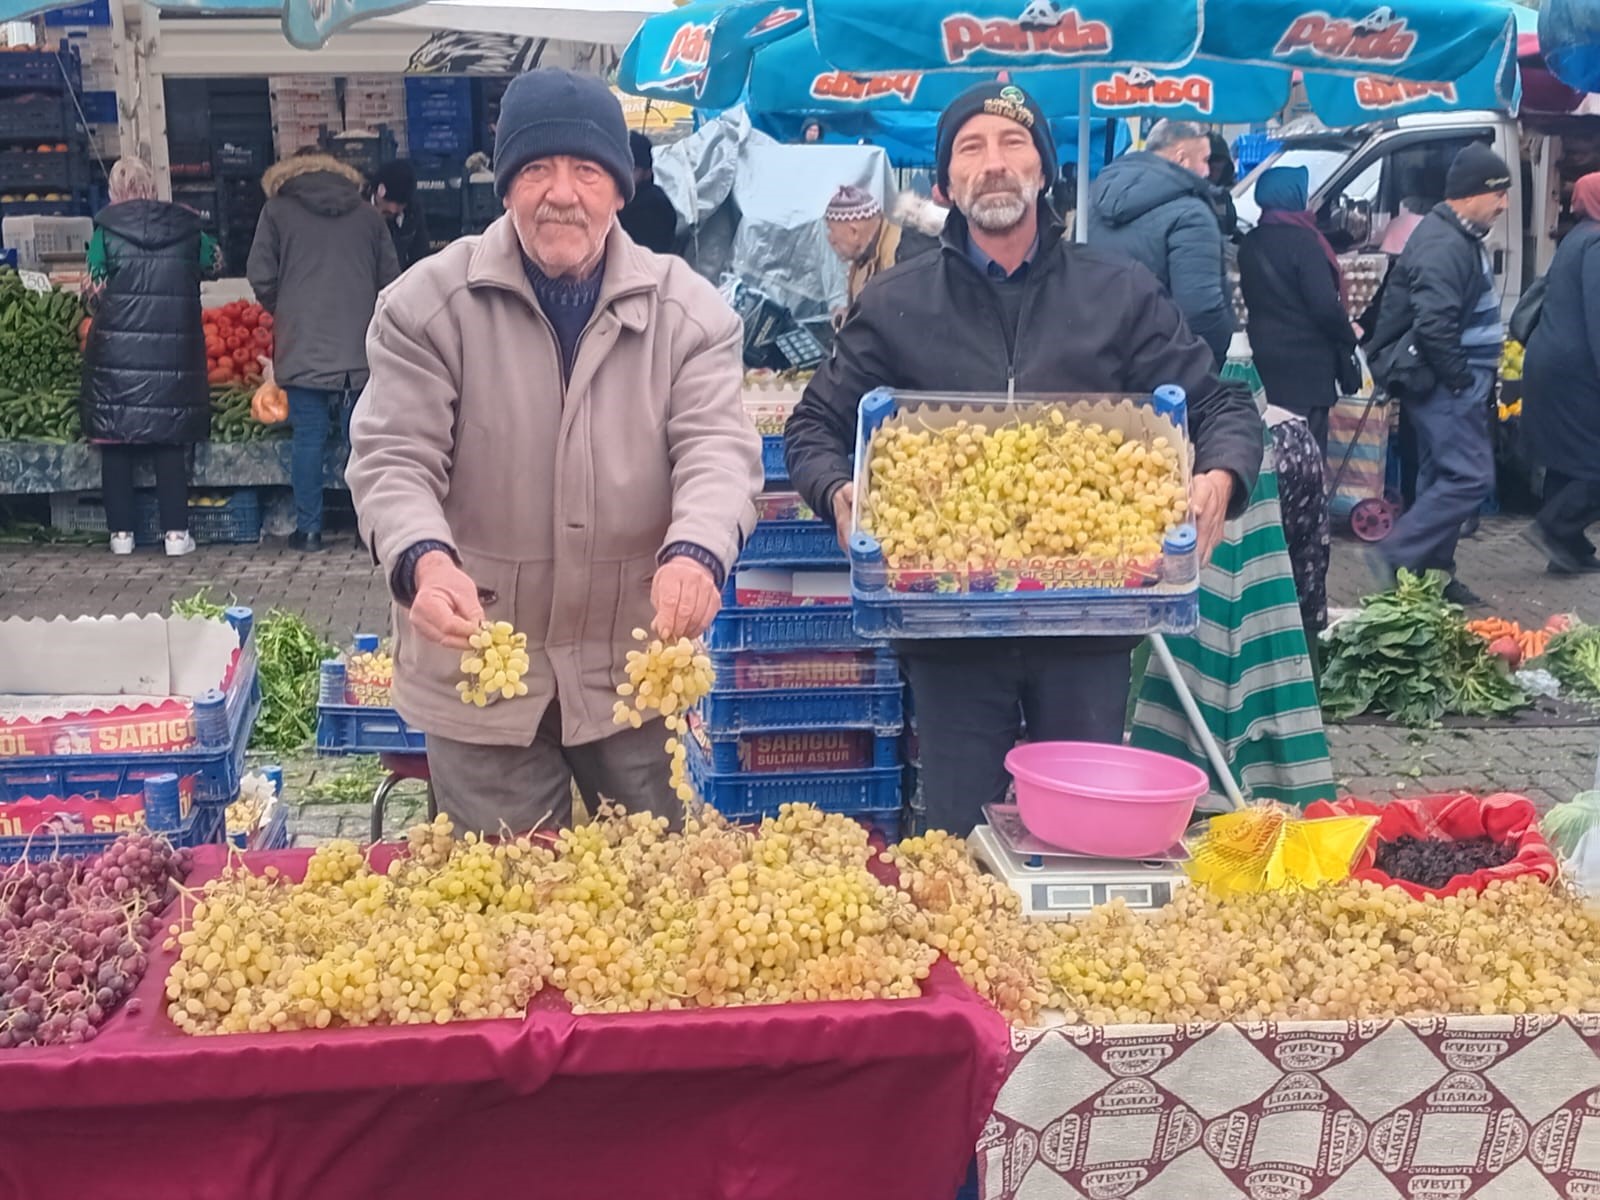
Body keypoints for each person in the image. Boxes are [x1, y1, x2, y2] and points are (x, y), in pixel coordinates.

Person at [784, 82, 1264, 837]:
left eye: (1014, 144)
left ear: (1044, 169)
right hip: (947, 628)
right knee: (956, 835)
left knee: (1085, 835)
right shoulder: (897, 301)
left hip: (1089, 624)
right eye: (971, 149)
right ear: (944, 184)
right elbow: (812, 424)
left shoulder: (1117, 292)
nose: (995, 164)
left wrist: (1220, 476)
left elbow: (1221, 404)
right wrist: (840, 493)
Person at [345, 68, 762, 837]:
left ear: (620, 188)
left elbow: (717, 449)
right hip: (480, 673)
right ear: (505, 187)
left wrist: (698, 551)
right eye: (536, 168)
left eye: (586, 169)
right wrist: (424, 562)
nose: (561, 191)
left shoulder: (689, 314)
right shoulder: (425, 307)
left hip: (632, 668)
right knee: (508, 914)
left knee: (653, 903)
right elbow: (393, 458)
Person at [1366, 143, 1512, 606]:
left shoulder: (1458, 236)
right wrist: (1460, 380)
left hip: (1452, 379)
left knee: (1440, 475)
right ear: (1471, 193)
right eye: (1499, 194)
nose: (1504, 203)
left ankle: (1434, 574)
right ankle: (1398, 552)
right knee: (1469, 476)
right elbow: (1435, 324)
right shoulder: (1444, 243)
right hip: (1447, 381)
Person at [248, 150, 398, 552]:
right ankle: (365, 531)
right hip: (359, 348)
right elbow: (391, 281)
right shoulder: (368, 217)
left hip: (303, 344)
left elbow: (260, 275)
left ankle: (310, 531)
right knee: (362, 440)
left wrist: (289, 307)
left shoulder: (277, 212)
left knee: (309, 437)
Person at [81, 157, 218, 557]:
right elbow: (214, 263)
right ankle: (176, 535)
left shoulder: (105, 232)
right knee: (169, 439)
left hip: (116, 355)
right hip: (174, 351)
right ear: (152, 188)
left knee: (116, 440)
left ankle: (121, 535)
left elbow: (92, 293)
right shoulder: (187, 226)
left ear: (114, 193)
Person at [1086, 119, 1236, 367]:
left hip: (1097, 357)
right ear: (1181, 158)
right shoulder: (1191, 214)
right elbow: (1200, 310)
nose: (1208, 171)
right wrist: (1219, 360)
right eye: (1205, 159)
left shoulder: (1092, 202)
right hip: (1167, 370)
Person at [1238, 165, 1359, 459]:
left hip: (1264, 361)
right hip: (1307, 369)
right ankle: (1304, 506)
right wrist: (1348, 334)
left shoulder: (1250, 243)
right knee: (1306, 455)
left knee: (1274, 450)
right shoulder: (1305, 242)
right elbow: (1323, 305)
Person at [1521, 171, 1600, 575]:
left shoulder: (1575, 238)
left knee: (1566, 460)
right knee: (1591, 460)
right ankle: (1553, 527)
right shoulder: (1597, 243)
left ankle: (1566, 551)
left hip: (1551, 362)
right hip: (1577, 370)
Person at [824, 185, 900, 321]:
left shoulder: (898, 255)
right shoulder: (862, 255)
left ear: (854, 232)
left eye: (832, 230)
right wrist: (848, 315)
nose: (830, 240)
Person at [618, 131, 678, 254]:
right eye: (621, 167)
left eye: (632, 169)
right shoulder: (624, 198)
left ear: (647, 173)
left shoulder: (652, 208)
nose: (624, 174)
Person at [369, 159, 432, 271]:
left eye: (400, 204)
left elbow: (420, 255)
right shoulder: (357, 211)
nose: (393, 210)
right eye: (389, 201)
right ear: (376, 193)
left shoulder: (413, 213)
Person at [1206, 132, 1239, 243]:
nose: (1213, 167)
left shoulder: (1222, 196)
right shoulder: (1184, 193)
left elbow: (1230, 227)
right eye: (1209, 160)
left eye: (1219, 161)